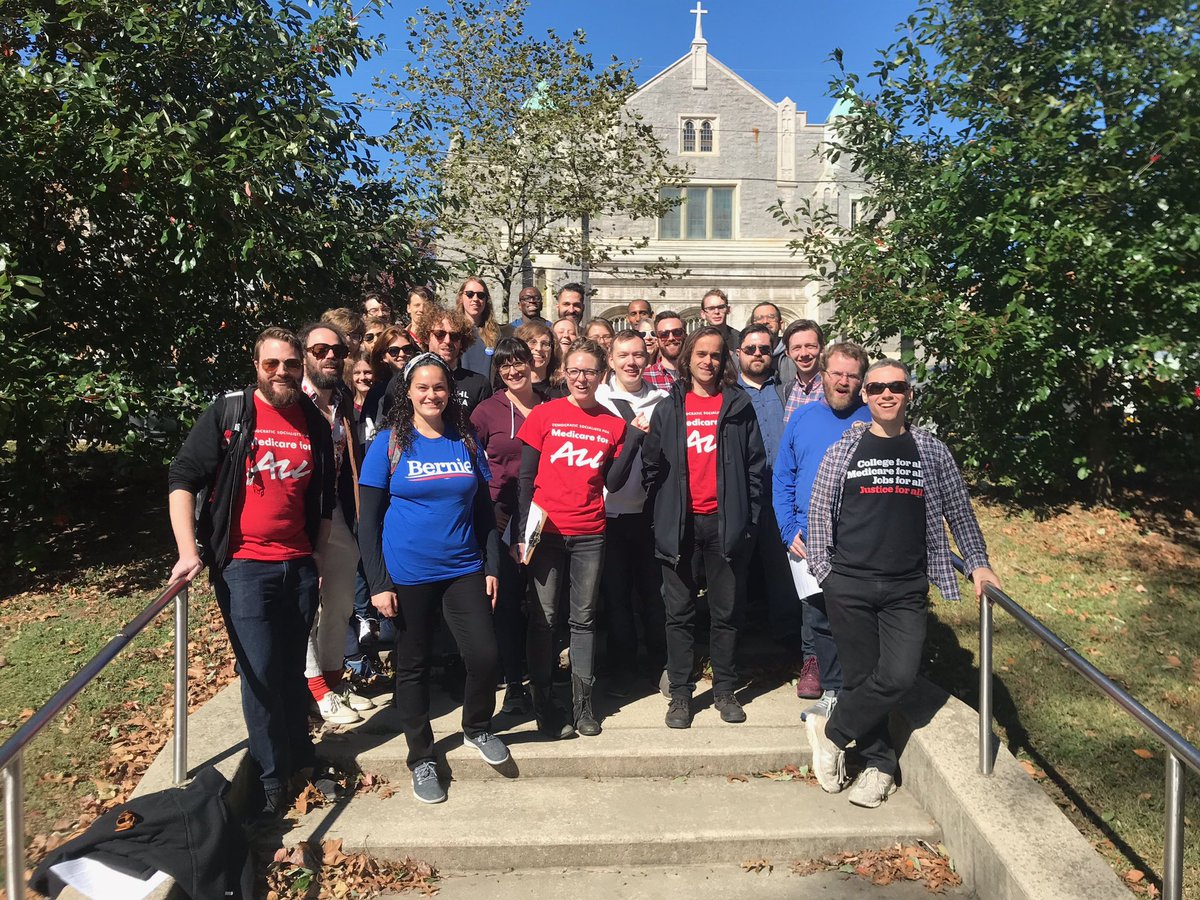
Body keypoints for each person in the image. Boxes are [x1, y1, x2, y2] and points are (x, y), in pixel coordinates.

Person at [805, 358, 1001, 808]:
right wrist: (826, 573)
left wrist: (977, 562)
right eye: (876, 388)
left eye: (896, 386)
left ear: (909, 394)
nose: (886, 394)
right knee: (860, 677)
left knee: (897, 676)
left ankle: (832, 732)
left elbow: (959, 511)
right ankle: (879, 766)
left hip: (905, 586)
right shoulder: (844, 449)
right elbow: (818, 513)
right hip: (848, 583)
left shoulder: (930, 449)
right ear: (865, 395)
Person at [167, 326, 335, 820]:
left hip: (298, 565)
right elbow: (183, 477)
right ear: (257, 366)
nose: (282, 372)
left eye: (291, 364)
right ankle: (271, 780)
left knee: (291, 668)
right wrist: (187, 550)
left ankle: (301, 756)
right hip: (243, 568)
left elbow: (324, 497)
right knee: (259, 673)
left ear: (301, 366)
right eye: (271, 364)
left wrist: (318, 555)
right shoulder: (231, 412)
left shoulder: (313, 421)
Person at [357, 352, 506, 804]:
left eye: (439, 386)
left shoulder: (466, 440)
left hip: (463, 567)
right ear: (408, 392)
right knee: (413, 666)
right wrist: (379, 583)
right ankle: (421, 757)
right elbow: (368, 522)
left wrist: (492, 565)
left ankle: (476, 727)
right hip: (408, 574)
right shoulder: (388, 444)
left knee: (484, 655)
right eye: (422, 387)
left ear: (449, 391)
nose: (432, 394)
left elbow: (484, 512)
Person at [641, 326, 765, 729]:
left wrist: (748, 521)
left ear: (723, 360)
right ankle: (680, 694)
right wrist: (662, 515)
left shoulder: (738, 405)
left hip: (725, 526)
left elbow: (755, 467)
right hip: (680, 527)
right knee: (678, 614)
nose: (708, 361)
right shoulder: (669, 408)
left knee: (726, 613)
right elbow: (651, 466)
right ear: (687, 359)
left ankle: (725, 689)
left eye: (715, 355)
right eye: (701, 354)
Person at [514, 339, 639, 738]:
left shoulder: (613, 424)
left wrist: (635, 438)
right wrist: (523, 532)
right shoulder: (544, 414)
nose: (581, 379)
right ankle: (543, 703)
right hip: (546, 533)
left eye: (589, 372)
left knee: (583, 620)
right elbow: (525, 479)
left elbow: (613, 481)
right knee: (543, 619)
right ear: (563, 373)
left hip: (589, 533)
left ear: (602, 375)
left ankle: (583, 706)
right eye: (574, 371)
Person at [771, 342, 872, 717]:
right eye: (837, 373)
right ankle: (832, 691)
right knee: (819, 617)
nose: (843, 382)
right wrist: (788, 529)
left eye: (852, 376)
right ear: (823, 375)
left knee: (858, 620)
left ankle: (858, 693)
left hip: (858, 540)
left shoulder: (874, 420)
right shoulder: (803, 417)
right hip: (807, 538)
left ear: (861, 381)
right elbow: (783, 477)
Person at [295, 322, 376, 725]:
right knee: (307, 603)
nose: (330, 356)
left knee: (342, 600)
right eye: (320, 350)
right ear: (304, 355)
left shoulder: (340, 397)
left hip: (337, 510)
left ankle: (331, 678)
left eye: (338, 351)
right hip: (299, 514)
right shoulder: (293, 399)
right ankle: (314, 689)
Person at [470, 338, 545, 715]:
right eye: (505, 365)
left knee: (544, 601)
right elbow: (469, 460)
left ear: (532, 363)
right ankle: (515, 682)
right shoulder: (487, 411)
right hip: (502, 515)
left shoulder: (550, 404)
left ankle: (544, 677)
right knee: (508, 602)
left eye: (519, 362)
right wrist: (486, 505)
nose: (513, 371)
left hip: (544, 514)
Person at [595, 330, 668, 696]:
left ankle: (661, 665)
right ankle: (623, 669)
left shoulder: (663, 400)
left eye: (638, 354)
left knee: (655, 594)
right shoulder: (597, 400)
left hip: (651, 513)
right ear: (610, 360)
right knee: (616, 596)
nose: (631, 362)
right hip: (608, 514)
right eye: (623, 355)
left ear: (648, 358)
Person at [735, 325, 802, 664]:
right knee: (737, 568)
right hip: (741, 495)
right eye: (751, 349)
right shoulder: (728, 394)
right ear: (739, 354)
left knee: (782, 569)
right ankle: (734, 638)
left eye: (764, 348)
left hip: (780, 495)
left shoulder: (786, 392)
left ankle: (787, 641)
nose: (758, 354)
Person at [389, 306, 492, 418]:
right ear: (426, 338)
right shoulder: (405, 379)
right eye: (439, 334)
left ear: (462, 342)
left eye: (455, 336)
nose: (447, 341)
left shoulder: (479, 384)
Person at [360, 325, 420, 446]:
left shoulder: (426, 383)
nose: (402, 354)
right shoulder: (377, 392)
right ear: (384, 357)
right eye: (394, 351)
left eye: (407, 349)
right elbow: (368, 431)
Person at [782, 319, 827, 421]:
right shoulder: (788, 389)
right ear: (788, 353)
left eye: (810, 346)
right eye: (796, 348)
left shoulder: (833, 388)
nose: (804, 354)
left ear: (822, 348)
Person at [457, 277, 501, 378]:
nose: (475, 299)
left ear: (486, 300)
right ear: (460, 298)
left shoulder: (497, 333)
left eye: (480, 295)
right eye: (470, 294)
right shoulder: (452, 332)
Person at [750, 301, 796, 386]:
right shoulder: (742, 356)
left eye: (771, 317)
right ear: (751, 325)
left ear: (781, 324)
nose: (765, 321)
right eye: (759, 318)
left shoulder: (793, 354)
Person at [643, 311, 686, 390]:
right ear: (657, 340)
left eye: (677, 332)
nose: (671, 338)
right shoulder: (644, 378)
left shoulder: (695, 375)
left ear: (685, 335)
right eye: (664, 334)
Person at [514, 321, 558, 388]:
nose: (539, 348)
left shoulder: (562, 391)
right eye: (532, 342)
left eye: (545, 344)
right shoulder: (508, 390)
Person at [699, 289, 740, 356]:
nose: (716, 312)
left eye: (721, 307)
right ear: (703, 314)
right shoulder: (695, 340)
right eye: (711, 308)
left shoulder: (739, 339)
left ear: (728, 310)